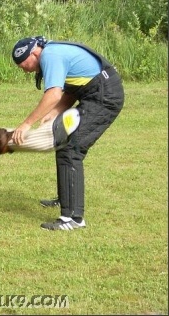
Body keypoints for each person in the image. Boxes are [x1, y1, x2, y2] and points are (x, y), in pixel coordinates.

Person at [11, 36, 124, 230]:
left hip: (104, 98)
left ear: (34, 53)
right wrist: (54, 112)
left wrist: (27, 123)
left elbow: (54, 94)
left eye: (23, 63)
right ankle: (67, 197)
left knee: (71, 148)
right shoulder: (53, 53)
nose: (23, 68)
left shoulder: (50, 55)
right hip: (95, 94)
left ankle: (73, 219)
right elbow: (73, 88)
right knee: (64, 141)